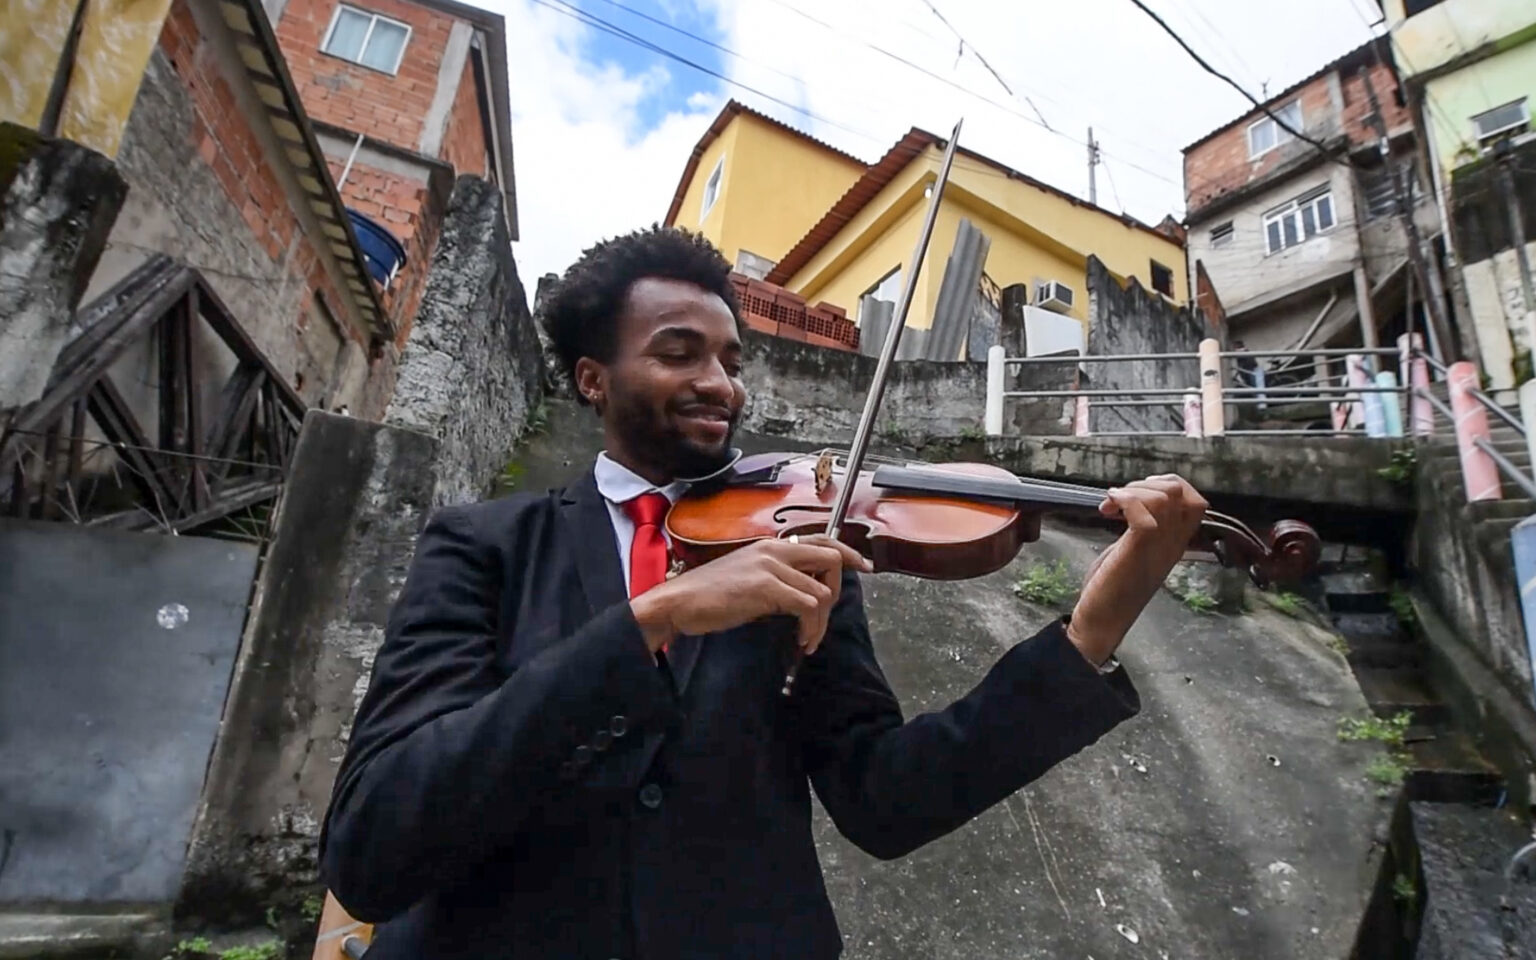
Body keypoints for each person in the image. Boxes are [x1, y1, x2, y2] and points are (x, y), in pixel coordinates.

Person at [319, 226, 1209, 959]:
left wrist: (1090, 631)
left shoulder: (802, 552)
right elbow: (374, 844)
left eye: (731, 359)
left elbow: (886, 801)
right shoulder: (485, 547)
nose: (721, 383)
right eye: (680, 353)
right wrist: (653, 620)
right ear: (593, 379)